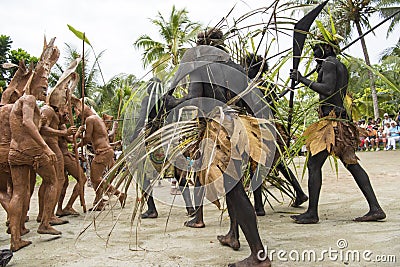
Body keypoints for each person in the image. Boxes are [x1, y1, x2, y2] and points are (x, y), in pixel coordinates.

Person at [164, 28, 271, 266]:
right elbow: (249, 101)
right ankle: (234, 235)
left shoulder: (200, 68)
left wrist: (172, 102)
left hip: (220, 130)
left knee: (234, 189)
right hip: (242, 128)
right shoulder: (236, 67)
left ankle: (258, 255)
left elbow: (196, 102)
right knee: (233, 185)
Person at [289, 36, 386, 224]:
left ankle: (312, 213)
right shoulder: (338, 65)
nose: (314, 54)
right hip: (342, 122)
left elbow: (327, 89)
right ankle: (375, 208)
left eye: (316, 49)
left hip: (332, 124)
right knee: (352, 164)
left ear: (326, 47)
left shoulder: (329, 63)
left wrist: (301, 79)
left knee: (313, 165)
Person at [8, 38, 62, 251]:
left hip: (16, 151)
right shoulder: (29, 99)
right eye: (44, 87)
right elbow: (28, 123)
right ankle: (45, 222)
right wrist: (45, 147)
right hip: (31, 151)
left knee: (19, 192)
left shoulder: (19, 103)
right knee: (53, 181)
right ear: (35, 85)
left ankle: (15, 239)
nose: (45, 91)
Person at [72, 97, 126, 211]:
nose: (77, 114)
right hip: (105, 151)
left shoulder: (90, 119)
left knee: (95, 178)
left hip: (103, 151)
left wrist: (77, 143)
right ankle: (99, 202)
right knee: (97, 178)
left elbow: (87, 139)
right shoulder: (97, 119)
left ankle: (119, 194)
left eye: (77, 111)